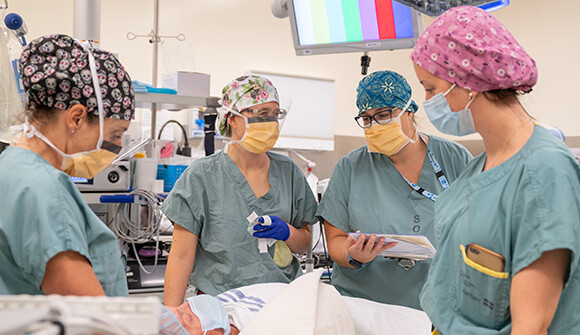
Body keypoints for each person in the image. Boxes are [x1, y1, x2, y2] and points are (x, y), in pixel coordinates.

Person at [411, 6, 580, 334]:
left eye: (430, 88)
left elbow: (531, 327)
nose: (427, 100)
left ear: (467, 82)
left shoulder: (544, 173)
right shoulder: (483, 164)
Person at [316, 70, 472, 309]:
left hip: (436, 304)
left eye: (383, 114)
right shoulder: (350, 167)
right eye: (367, 119)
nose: (375, 124)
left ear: (409, 111)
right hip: (365, 305)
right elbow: (335, 240)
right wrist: (354, 256)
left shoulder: (454, 158)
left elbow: (480, 227)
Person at [161, 75, 318, 306]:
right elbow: (181, 256)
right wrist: (171, 317)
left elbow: (305, 243)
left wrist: (287, 232)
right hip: (222, 306)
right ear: (232, 118)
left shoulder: (289, 172)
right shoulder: (201, 176)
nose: (271, 122)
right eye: (262, 113)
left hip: (282, 302)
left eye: (276, 114)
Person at [0, 34, 135, 296]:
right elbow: (89, 317)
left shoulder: (11, 166)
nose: (114, 148)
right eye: (115, 135)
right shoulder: (43, 191)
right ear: (76, 118)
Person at [159, 269, 432, 335]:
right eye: (186, 317)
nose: (191, 306)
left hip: (410, 323)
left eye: (183, 305)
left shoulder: (231, 303)